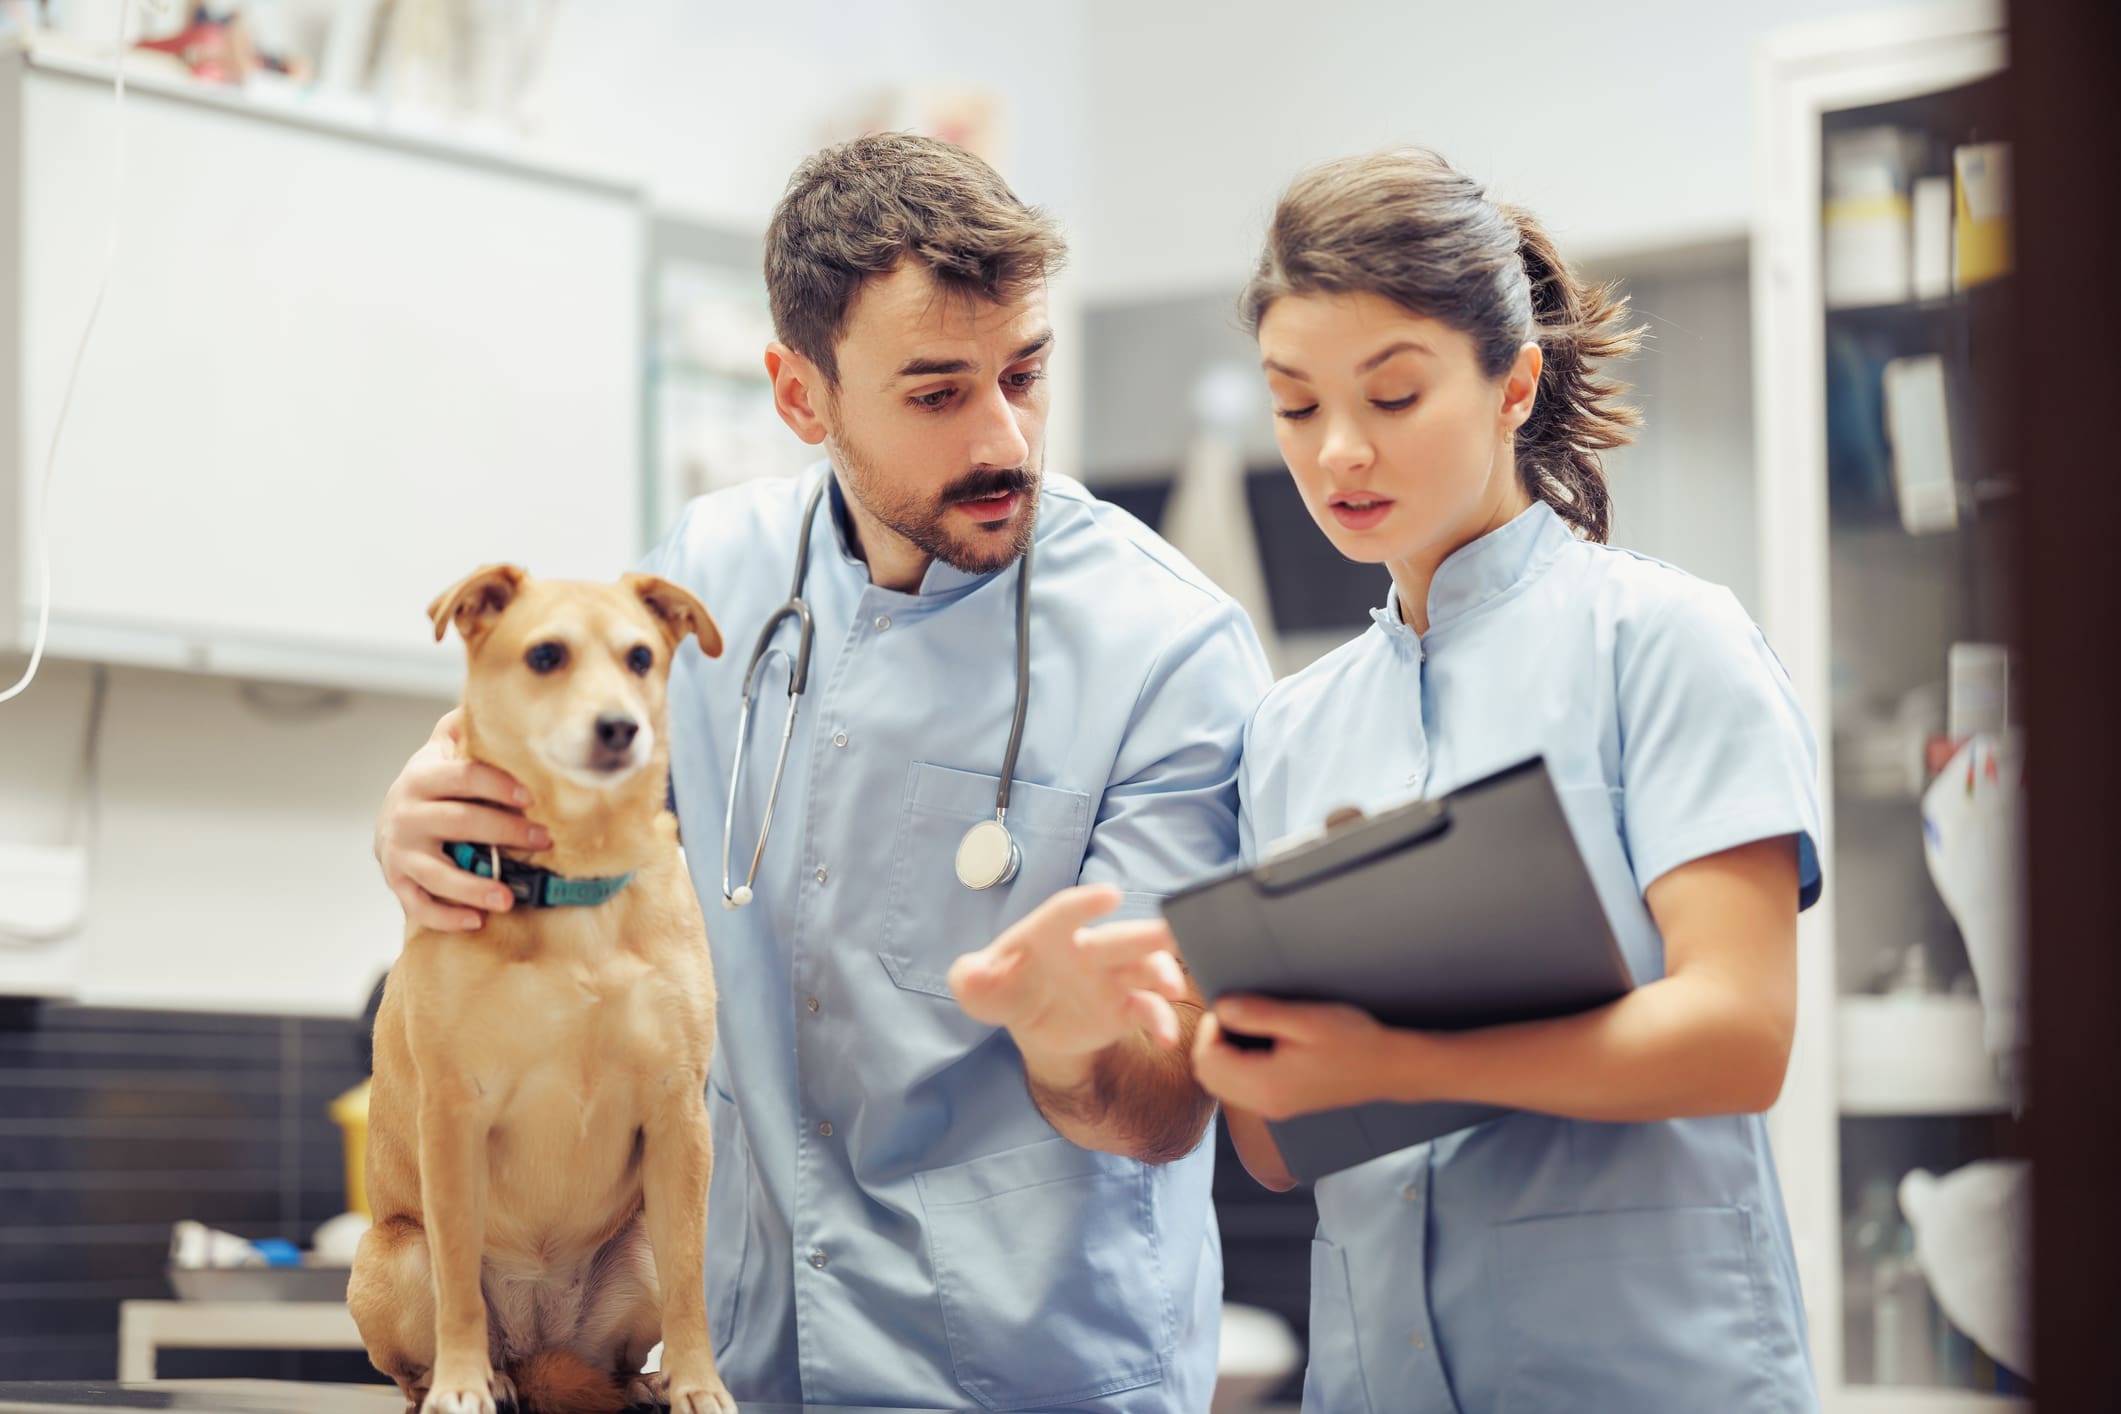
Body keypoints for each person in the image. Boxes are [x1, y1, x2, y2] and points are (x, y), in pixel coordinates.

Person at [372, 132, 1270, 1411]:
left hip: (1030, 1375)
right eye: (937, 391)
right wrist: (418, 823)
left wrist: (1081, 1052)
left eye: (1026, 372)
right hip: (742, 1357)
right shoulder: (709, 570)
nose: (1004, 435)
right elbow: (574, 808)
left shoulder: (1172, 649)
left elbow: (1164, 1102)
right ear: (803, 397)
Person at [1187, 147, 1824, 1412]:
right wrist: (1221, 1051)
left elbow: (1739, 1037)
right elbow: (1272, 1148)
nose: (1339, 454)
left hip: (1649, 1370)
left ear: (1514, 384)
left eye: (1395, 394)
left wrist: (1394, 1060)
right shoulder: (1290, 732)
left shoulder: (1663, 643)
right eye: (1298, 405)